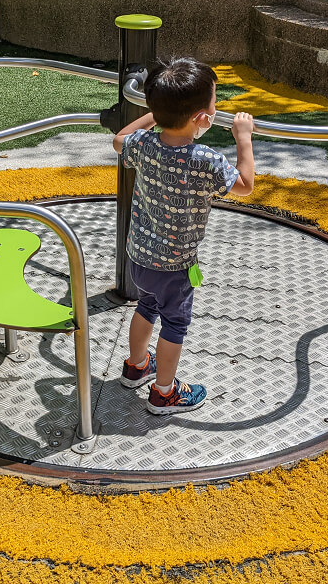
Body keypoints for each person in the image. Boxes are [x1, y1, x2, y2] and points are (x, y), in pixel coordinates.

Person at [112, 58, 255, 414]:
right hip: (175, 266)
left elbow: (118, 140)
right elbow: (245, 186)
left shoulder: (144, 143)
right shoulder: (205, 158)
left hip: (139, 256)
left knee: (146, 306)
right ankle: (164, 392)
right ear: (202, 119)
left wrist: (154, 116)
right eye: (214, 103)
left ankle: (136, 366)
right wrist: (244, 139)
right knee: (174, 323)